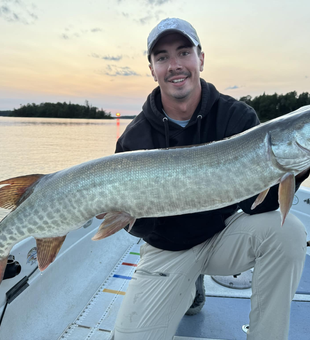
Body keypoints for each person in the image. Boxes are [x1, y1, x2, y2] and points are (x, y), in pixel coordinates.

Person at [111, 18, 309, 340]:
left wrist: (295, 169)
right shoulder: (135, 138)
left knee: (288, 232)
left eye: (184, 52)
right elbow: (141, 230)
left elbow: (258, 205)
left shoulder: (238, 117)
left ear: (200, 58)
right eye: (162, 57)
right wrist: (124, 213)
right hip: (168, 249)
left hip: (222, 234)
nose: (174, 65)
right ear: (152, 69)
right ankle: (187, 286)